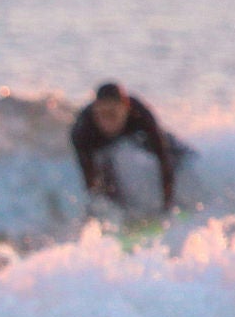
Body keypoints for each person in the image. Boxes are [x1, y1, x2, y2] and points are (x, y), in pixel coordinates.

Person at [70, 81, 183, 216]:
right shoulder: (83, 128)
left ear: (126, 108)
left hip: (135, 135)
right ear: (95, 111)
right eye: (102, 114)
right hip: (99, 145)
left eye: (112, 113)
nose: (107, 121)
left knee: (172, 152)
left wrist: (167, 205)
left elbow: (163, 156)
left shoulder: (140, 113)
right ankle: (123, 215)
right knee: (103, 176)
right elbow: (90, 181)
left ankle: (179, 201)